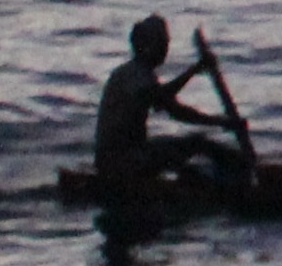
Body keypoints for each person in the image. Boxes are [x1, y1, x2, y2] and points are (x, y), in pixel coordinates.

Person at [90, 14, 251, 196]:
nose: (165, 49)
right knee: (197, 145)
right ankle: (236, 184)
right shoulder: (133, 75)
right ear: (147, 45)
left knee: (194, 148)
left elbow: (169, 104)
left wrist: (221, 121)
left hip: (130, 153)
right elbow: (170, 105)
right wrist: (223, 122)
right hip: (119, 161)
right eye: (162, 43)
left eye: (166, 43)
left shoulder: (142, 74)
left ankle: (233, 175)